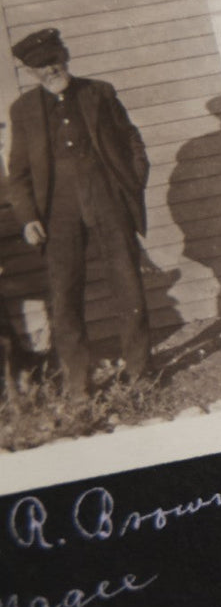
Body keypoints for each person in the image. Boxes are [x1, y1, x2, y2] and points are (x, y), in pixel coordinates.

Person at [7, 28, 151, 397]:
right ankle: (77, 382)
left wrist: (131, 185)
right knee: (65, 292)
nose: (50, 69)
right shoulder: (23, 111)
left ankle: (141, 372)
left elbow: (131, 139)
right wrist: (28, 219)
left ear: (65, 56)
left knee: (127, 283)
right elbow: (19, 173)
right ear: (30, 72)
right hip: (57, 211)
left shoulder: (99, 93)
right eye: (40, 66)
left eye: (54, 60)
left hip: (106, 199)